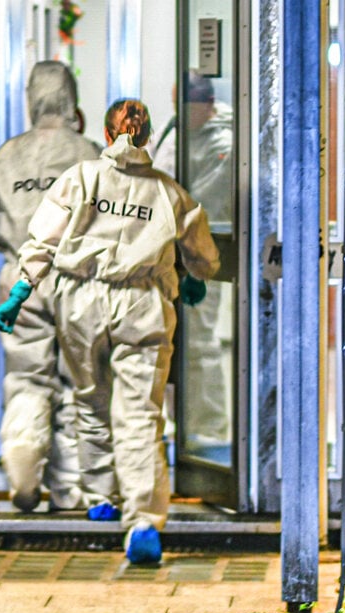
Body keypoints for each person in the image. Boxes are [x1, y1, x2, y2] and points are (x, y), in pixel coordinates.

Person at [0, 98, 220, 564]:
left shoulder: (80, 179)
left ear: (103, 129)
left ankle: (99, 497)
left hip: (80, 301)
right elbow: (203, 252)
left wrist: (20, 292)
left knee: (90, 399)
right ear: (149, 135)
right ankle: (142, 522)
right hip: (143, 304)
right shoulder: (168, 191)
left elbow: (43, 240)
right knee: (139, 413)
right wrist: (196, 276)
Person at [0, 60, 104, 513]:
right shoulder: (89, 151)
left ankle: (22, 465)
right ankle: (71, 489)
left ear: (30, 99)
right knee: (78, 380)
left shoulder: (6, 157)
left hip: (20, 276)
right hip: (78, 279)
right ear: (71, 98)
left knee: (26, 376)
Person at [153, 74, 234, 450]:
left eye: (184, 108)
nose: (178, 114)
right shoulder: (176, 131)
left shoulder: (225, 142)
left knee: (199, 344)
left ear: (203, 105)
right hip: (168, 255)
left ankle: (210, 431)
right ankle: (182, 425)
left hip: (200, 257)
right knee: (171, 341)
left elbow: (205, 204)